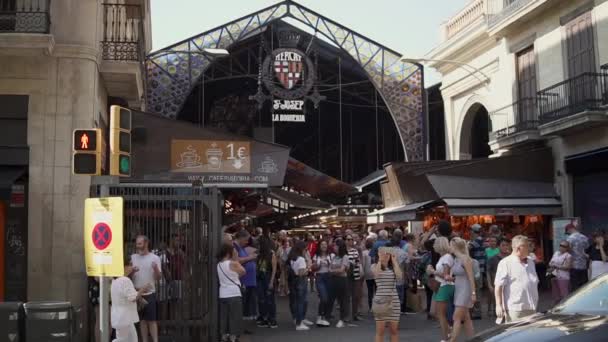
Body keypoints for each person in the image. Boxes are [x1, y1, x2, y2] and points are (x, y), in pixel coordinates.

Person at [495, 235, 539, 322]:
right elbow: (498, 286)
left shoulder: (530, 261)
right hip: (515, 309)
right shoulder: (505, 263)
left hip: (532, 306)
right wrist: (498, 305)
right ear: (519, 248)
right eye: (527, 246)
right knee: (515, 333)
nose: (530, 248)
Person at [131, 235, 162, 342]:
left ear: (146, 243)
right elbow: (128, 277)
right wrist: (132, 271)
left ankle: (155, 340)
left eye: (140, 243)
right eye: (137, 243)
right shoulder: (133, 257)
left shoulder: (155, 258)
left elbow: (159, 277)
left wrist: (156, 269)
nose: (137, 246)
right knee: (142, 321)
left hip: (150, 294)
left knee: (152, 320)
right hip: (137, 294)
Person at [111, 259, 149, 342]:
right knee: (122, 340)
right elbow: (133, 297)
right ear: (124, 267)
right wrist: (143, 289)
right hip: (124, 317)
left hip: (120, 317)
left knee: (131, 339)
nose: (132, 267)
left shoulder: (115, 281)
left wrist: (141, 298)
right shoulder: (125, 280)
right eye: (130, 265)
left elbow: (127, 295)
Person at [426, 237, 455, 342]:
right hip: (443, 286)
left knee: (441, 314)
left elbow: (446, 275)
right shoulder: (443, 257)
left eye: (435, 244)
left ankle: (446, 337)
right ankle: (449, 332)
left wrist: (433, 271)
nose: (433, 246)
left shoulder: (446, 257)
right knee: (436, 313)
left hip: (445, 286)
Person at [217, 243, 246, 342]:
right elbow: (243, 271)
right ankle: (233, 337)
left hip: (223, 293)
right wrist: (236, 276)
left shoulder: (219, 265)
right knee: (234, 316)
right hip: (234, 293)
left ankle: (223, 335)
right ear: (229, 253)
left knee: (224, 316)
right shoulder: (234, 263)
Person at [373, 248, 403, 342]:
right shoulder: (375, 265)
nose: (385, 255)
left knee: (394, 330)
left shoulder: (393, 267)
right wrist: (380, 260)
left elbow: (400, 277)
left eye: (387, 253)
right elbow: (376, 274)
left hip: (394, 301)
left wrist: (394, 261)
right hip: (380, 301)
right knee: (380, 331)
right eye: (383, 253)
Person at [450, 238, 476, 342]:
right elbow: (460, 276)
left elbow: (471, 277)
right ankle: (473, 339)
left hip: (465, 289)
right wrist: (451, 278)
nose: (449, 247)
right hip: (459, 288)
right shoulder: (456, 259)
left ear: (455, 246)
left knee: (457, 317)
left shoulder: (465, 259)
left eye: (450, 245)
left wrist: (473, 293)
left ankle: (452, 340)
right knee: (466, 319)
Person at [233, 230, 258, 321]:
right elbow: (235, 261)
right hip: (241, 279)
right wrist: (249, 257)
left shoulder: (240, 247)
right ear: (241, 238)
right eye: (246, 240)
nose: (247, 242)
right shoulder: (234, 247)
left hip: (246, 279)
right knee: (243, 300)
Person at [288, 240, 313, 331]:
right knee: (301, 302)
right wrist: (309, 268)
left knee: (297, 301)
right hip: (300, 281)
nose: (306, 251)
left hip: (294, 281)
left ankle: (298, 319)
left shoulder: (292, 258)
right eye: (305, 249)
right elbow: (301, 273)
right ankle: (299, 323)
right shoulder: (301, 259)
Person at [256, 234, 278, 328]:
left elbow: (274, 268)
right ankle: (263, 317)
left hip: (268, 277)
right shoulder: (259, 254)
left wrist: (271, 281)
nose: (258, 245)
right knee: (261, 299)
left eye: (259, 243)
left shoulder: (271, 254)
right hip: (260, 277)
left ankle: (272, 318)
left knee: (270, 299)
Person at [328, 239, 351, 328]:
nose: (334, 247)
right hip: (333, 280)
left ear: (340, 247)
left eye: (335, 246)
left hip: (342, 280)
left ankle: (342, 319)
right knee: (331, 299)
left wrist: (333, 271)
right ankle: (327, 316)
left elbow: (342, 270)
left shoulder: (345, 257)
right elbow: (330, 268)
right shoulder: (334, 257)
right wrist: (334, 271)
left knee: (342, 300)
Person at [486, 238, 511, 316]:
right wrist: (489, 285)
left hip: (509, 282)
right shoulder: (492, 259)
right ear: (498, 247)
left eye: (507, 245)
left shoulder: (511, 258)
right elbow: (488, 272)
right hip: (496, 283)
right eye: (503, 245)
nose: (505, 247)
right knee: (496, 300)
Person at [312, 240, 333, 327]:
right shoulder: (316, 256)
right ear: (319, 246)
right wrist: (318, 265)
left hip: (328, 277)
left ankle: (323, 316)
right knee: (323, 297)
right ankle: (320, 316)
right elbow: (313, 268)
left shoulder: (331, 255)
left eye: (325, 244)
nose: (324, 246)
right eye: (322, 244)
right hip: (319, 277)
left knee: (327, 298)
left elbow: (333, 267)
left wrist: (329, 263)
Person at [566, 223, 590, 291]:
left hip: (574, 266)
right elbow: (587, 249)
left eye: (567, 232)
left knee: (575, 288)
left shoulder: (570, 238)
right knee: (584, 287)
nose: (568, 233)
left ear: (570, 229)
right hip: (584, 265)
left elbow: (568, 251)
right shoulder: (584, 237)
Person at [346, 234, 364, 321]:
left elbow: (358, 261)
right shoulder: (343, 251)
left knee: (356, 296)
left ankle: (355, 314)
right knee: (346, 296)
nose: (350, 241)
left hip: (356, 275)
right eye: (348, 239)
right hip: (346, 276)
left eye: (351, 239)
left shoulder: (355, 251)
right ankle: (346, 315)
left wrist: (357, 264)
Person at [549, 240, 572, 304]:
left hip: (564, 277)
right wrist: (557, 266)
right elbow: (550, 263)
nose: (562, 247)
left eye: (564, 246)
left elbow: (567, 267)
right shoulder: (556, 253)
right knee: (556, 293)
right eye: (561, 245)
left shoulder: (568, 256)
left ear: (567, 248)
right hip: (555, 275)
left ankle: (566, 306)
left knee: (564, 293)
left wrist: (556, 266)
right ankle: (557, 306)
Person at [417, 239, 435, 320]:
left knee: (429, 294)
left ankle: (429, 311)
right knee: (433, 295)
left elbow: (420, 266)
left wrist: (420, 277)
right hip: (432, 277)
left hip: (426, 277)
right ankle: (432, 312)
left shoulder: (425, 256)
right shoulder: (435, 255)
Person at [362, 238, 376, 312]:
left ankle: (371, 307)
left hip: (368, 273)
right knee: (376, 290)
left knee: (370, 291)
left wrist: (363, 273)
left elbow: (363, 264)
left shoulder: (364, 253)